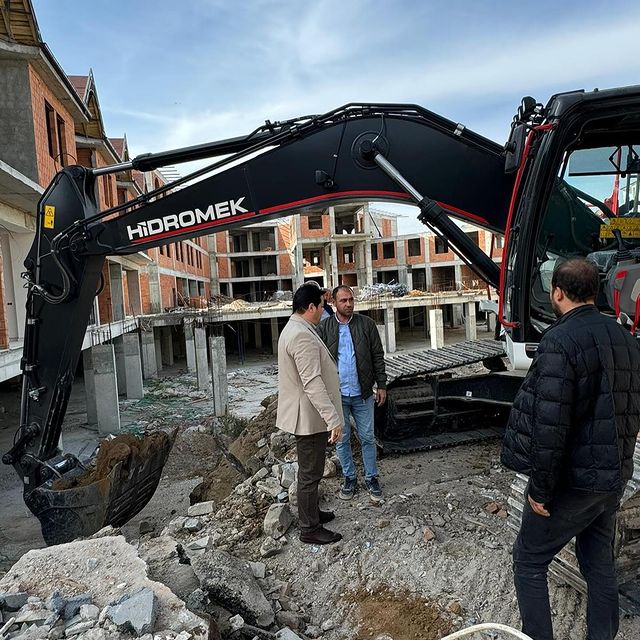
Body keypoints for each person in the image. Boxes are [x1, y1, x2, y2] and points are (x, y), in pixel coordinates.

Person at [501, 258, 640, 640]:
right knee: (599, 563)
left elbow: (550, 426)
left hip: (574, 482)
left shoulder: (559, 341)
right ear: (596, 292)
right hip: (611, 478)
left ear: (557, 292)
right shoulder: (626, 340)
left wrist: (541, 489)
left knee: (529, 559)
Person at [276, 282, 344, 545]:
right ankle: (309, 528)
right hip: (309, 417)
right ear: (311, 307)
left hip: (308, 415)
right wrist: (333, 419)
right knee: (309, 474)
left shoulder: (296, 327)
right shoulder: (301, 335)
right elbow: (312, 382)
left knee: (311, 471)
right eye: (321, 306)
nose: (324, 311)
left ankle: (312, 514)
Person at [317, 285, 387, 501]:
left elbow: (377, 355)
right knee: (342, 438)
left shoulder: (366, 325)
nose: (348, 304)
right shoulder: (325, 327)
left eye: (350, 300)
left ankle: (371, 478)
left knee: (367, 437)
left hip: (363, 393)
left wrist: (382, 385)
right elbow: (319, 361)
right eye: (343, 301)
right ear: (334, 304)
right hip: (337, 396)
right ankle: (349, 478)